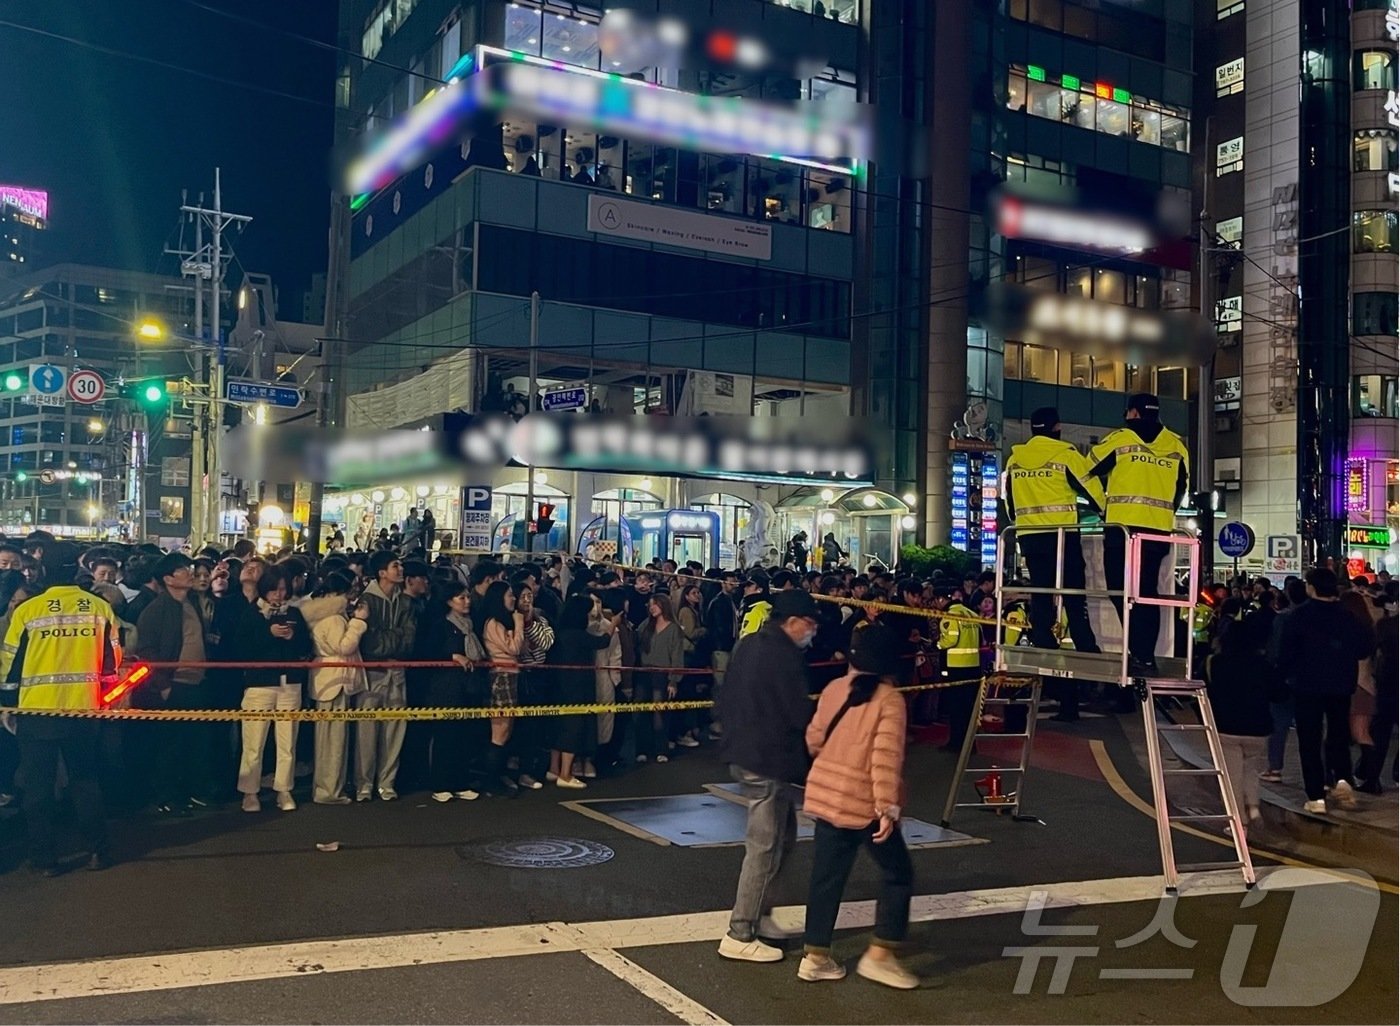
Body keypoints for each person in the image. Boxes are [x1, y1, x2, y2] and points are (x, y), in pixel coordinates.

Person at [796, 622, 918, 989]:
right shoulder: (890, 699)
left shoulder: (834, 688)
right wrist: (887, 808)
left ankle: (815, 956)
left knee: (826, 878)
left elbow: (814, 738)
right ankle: (881, 954)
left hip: (825, 795)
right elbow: (884, 758)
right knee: (898, 874)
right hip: (862, 801)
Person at [716, 589, 820, 963]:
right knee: (765, 845)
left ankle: (760, 914)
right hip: (768, 758)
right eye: (809, 624)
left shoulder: (749, 644)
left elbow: (726, 694)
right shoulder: (783, 655)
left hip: (747, 752)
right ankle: (741, 929)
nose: (812, 632)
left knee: (782, 837)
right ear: (792, 622)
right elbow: (796, 712)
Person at [1, 568, 119, 874]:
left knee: (37, 787)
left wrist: (8, 704)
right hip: (83, 709)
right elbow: (112, 659)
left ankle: (44, 860)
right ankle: (98, 851)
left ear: (43, 573)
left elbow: (10, 663)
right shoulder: (98, 607)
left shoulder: (29, 609)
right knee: (85, 782)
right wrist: (104, 694)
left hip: (36, 712)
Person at [1087, 393, 1190, 676]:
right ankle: (1145, 657)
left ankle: (1139, 652)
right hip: (1158, 531)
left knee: (1120, 591)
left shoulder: (1120, 439)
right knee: (1146, 594)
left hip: (1123, 529)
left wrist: (1102, 505)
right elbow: (1181, 489)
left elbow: (1087, 471)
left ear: (1132, 413)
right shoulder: (1176, 445)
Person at [1003, 407, 1104, 656]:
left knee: (1041, 588)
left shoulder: (1015, 459)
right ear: (1057, 428)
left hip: (1028, 535)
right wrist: (1105, 511)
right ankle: (1085, 644)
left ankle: (1043, 638)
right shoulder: (1066, 455)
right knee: (1073, 590)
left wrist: (1020, 522)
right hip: (1062, 535)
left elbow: (1011, 503)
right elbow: (1092, 489)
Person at [1277, 568, 1376, 814]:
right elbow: (1363, 648)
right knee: (1338, 734)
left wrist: (1283, 678)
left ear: (1311, 587)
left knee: (1309, 739)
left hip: (1307, 685)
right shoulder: (1347, 616)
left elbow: (1285, 654)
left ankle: (1316, 795)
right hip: (1341, 684)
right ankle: (1342, 778)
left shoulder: (1298, 616)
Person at [132, 553, 212, 814]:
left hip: (195, 681)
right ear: (168, 579)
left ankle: (187, 792)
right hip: (173, 683)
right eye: (183, 570)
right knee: (169, 744)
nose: (190, 573)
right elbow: (146, 649)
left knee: (191, 742)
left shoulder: (191, 603)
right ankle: (165, 796)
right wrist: (163, 685)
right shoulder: (156, 609)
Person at [234, 569, 312, 813]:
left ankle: (284, 789)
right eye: (274, 589)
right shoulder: (251, 613)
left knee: (288, 741)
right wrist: (268, 634)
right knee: (254, 742)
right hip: (259, 683)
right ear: (264, 590)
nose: (279, 594)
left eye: (283, 589)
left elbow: (307, 646)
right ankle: (249, 792)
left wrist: (292, 637)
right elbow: (241, 648)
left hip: (290, 682)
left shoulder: (294, 613)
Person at [302, 570, 368, 805]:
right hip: (335, 681)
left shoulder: (319, 614)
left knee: (329, 739)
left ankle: (327, 788)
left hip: (326, 680)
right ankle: (329, 791)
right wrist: (359, 623)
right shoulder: (333, 618)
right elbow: (344, 646)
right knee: (334, 741)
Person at [355, 552, 417, 802]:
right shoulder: (366, 600)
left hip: (397, 671)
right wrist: (394, 638)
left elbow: (409, 638)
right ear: (382, 572)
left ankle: (387, 782)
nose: (400, 570)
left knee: (394, 730)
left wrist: (389, 639)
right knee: (366, 732)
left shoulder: (406, 602)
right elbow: (369, 642)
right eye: (395, 566)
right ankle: (364, 783)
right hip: (372, 673)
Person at [419, 581, 487, 802]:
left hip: (468, 687)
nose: (467, 601)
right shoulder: (441, 625)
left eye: (467, 597)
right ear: (449, 601)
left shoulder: (470, 624)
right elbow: (427, 653)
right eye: (461, 598)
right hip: (445, 688)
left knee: (464, 736)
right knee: (445, 737)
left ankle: (461, 781)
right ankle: (440, 784)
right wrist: (451, 657)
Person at [1203, 617, 1272, 830]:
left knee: (1232, 775)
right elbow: (1278, 692)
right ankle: (1253, 806)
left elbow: (1203, 691)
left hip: (1227, 726)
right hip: (1258, 727)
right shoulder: (1263, 663)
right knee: (1251, 768)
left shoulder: (1214, 662)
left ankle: (1238, 821)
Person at [549, 594, 616, 788]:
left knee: (558, 727)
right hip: (577, 687)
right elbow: (602, 642)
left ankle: (553, 769)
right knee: (573, 728)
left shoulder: (560, 633)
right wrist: (613, 625)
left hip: (559, 686)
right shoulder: (578, 635)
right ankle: (566, 774)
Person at [481, 579, 526, 795]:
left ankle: (497, 776)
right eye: (509, 595)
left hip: (510, 675)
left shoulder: (500, 623)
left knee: (506, 730)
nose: (513, 599)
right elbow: (515, 648)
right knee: (500, 730)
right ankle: (491, 780)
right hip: (501, 676)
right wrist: (518, 624)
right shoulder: (493, 624)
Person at [636, 592, 685, 763]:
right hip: (644, 672)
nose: (652, 608)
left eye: (655, 604)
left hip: (662, 674)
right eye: (650, 605)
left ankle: (660, 749)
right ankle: (642, 749)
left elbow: (677, 656)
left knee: (660, 714)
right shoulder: (645, 626)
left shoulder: (674, 629)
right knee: (641, 712)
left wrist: (673, 680)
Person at [933, 582, 982, 750]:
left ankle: (956, 743)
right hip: (974, 666)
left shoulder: (950, 616)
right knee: (969, 709)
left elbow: (950, 640)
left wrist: (936, 645)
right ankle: (970, 744)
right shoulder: (971, 613)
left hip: (956, 667)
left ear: (941, 600)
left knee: (956, 709)